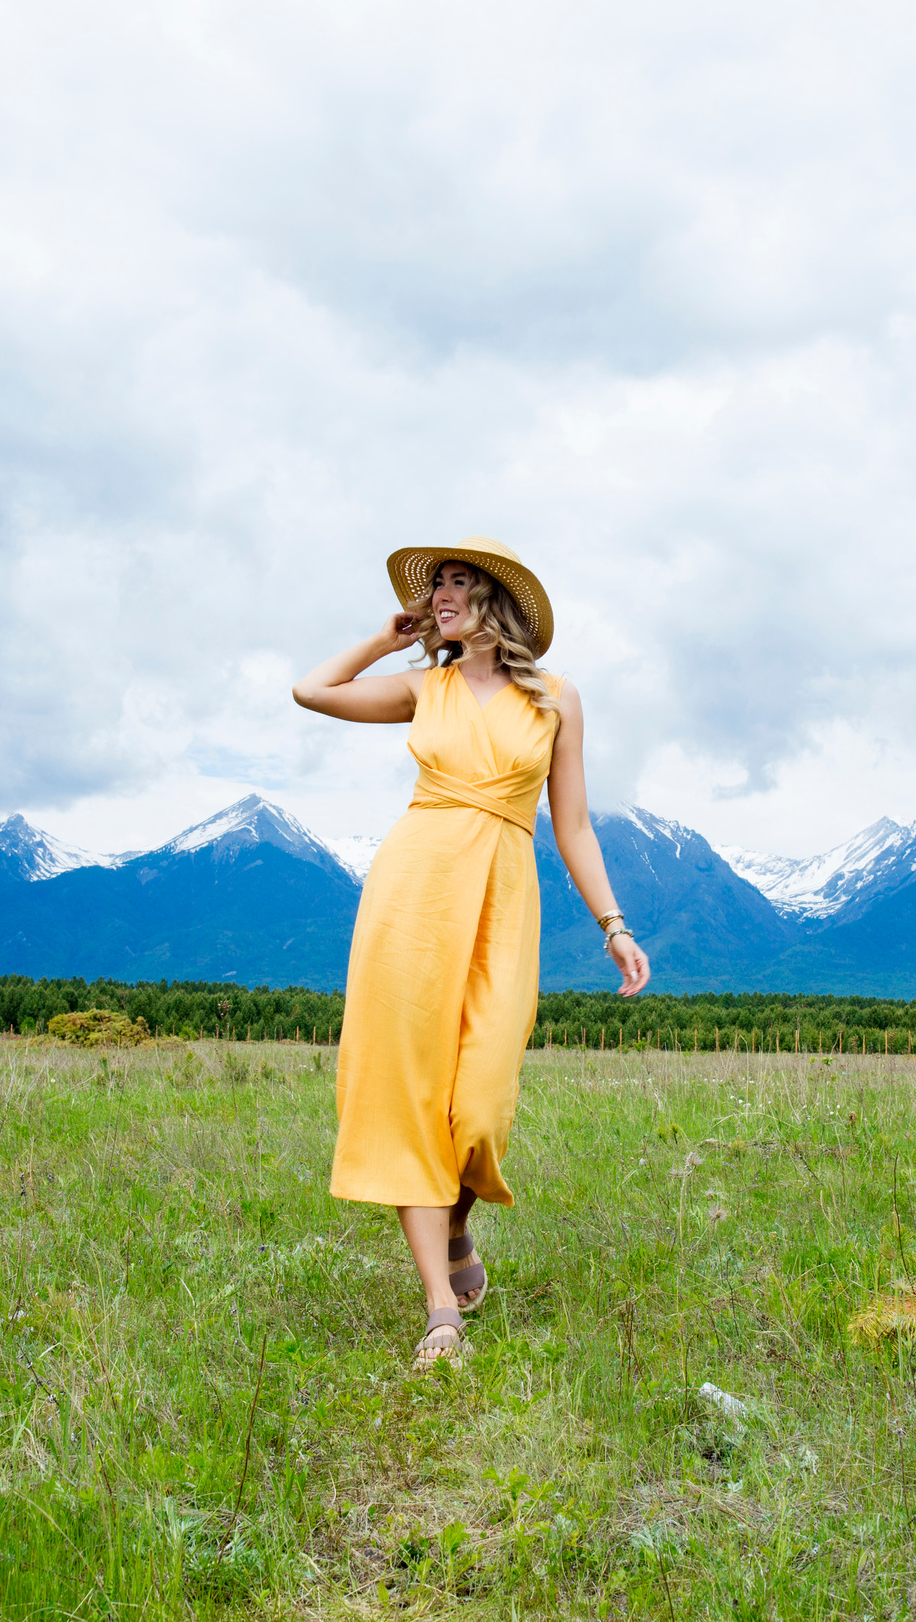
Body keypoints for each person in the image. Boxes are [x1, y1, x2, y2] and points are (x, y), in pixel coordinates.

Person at [293, 537, 651, 1367]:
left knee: (480, 1100)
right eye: (437, 586)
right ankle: (440, 1312)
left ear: (497, 601)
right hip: (411, 895)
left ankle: (456, 1220)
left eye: (458, 583)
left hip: (501, 900)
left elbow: (574, 825)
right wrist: (388, 637)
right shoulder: (427, 686)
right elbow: (313, 690)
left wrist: (614, 924)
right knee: (406, 1089)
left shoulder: (557, 700)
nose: (442, 595)